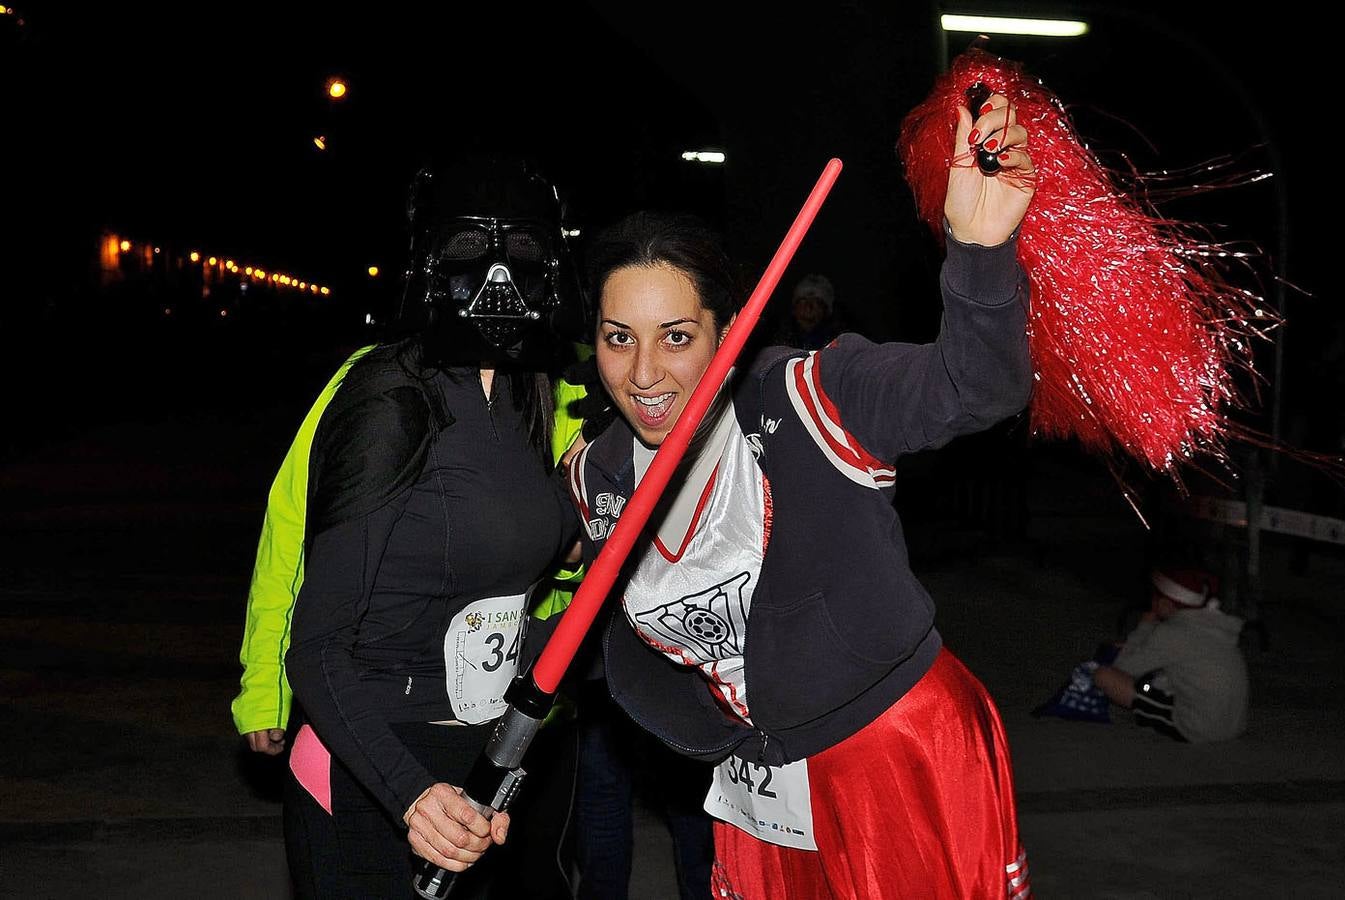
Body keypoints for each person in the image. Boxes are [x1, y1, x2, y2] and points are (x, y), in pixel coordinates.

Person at [566, 94, 1035, 898]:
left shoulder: (811, 395)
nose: (643, 374)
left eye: (676, 336)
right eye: (620, 337)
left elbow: (975, 385)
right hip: (756, 787)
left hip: (890, 753)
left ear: (729, 327)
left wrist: (980, 253)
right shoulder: (595, 471)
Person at [279, 153, 584, 898]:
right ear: (425, 265)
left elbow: (512, 588)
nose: (498, 284)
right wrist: (412, 796)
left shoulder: (524, 395)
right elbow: (316, 648)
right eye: (467, 255)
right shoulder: (391, 398)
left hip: (480, 761)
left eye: (521, 255)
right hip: (373, 762)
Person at [1094, 567, 1249, 742]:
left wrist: (1144, 627)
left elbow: (1123, 668)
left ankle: (1150, 705)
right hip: (1233, 724)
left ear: (1166, 603)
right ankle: (1152, 696)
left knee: (1105, 676)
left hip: (1200, 727)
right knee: (1153, 678)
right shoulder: (1213, 626)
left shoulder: (1172, 632)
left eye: (1154, 597)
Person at [774, 273, 842, 351]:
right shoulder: (778, 338)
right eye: (803, 300)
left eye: (817, 301)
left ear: (826, 310)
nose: (808, 306)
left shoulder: (836, 342)